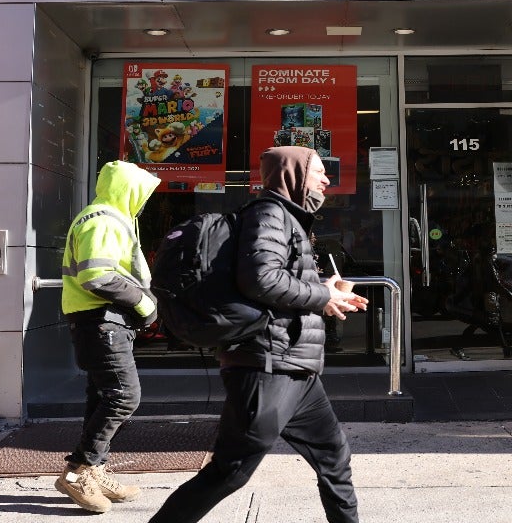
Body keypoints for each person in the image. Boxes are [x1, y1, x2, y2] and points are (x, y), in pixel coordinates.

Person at [150, 146, 369, 523]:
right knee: (231, 471)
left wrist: (323, 290)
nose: (326, 179)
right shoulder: (269, 213)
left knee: (334, 458)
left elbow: (278, 279)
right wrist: (323, 296)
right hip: (267, 366)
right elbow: (260, 279)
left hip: (295, 369)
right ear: (293, 174)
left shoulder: (288, 218)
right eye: (318, 171)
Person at [55, 159, 161, 514]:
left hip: (100, 322)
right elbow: (97, 276)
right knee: (124, 396)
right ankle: (79, 472)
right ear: (128, 191)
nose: (144, 202)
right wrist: (144, 303)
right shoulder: (103, 220)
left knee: (102, 396)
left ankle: (94, 470)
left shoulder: (106, 218)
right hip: (100, 322)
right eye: (142, 194)